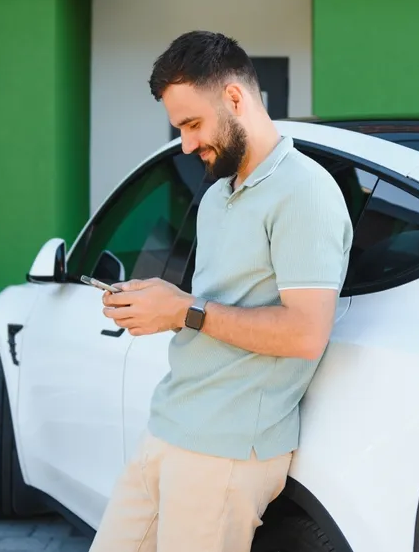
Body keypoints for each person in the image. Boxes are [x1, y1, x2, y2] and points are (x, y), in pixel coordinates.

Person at [88, 31, 354, 552]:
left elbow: (305, 333)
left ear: (235, 98)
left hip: (227, 452)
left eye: (192, 124)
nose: (186, 145)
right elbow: (213, 307)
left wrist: (184, 310)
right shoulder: (216, 199)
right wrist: (157, 305)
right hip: (170, 427)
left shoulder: (305, 192)